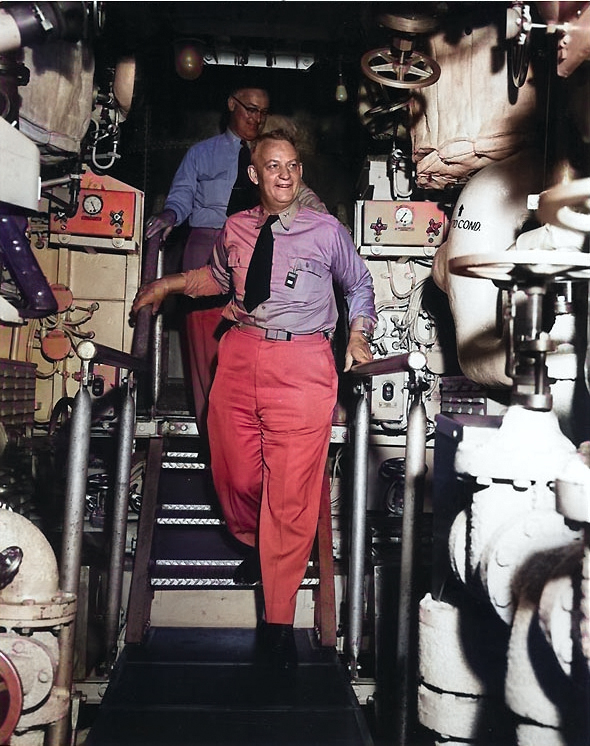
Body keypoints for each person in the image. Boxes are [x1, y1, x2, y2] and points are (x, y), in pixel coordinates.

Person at [133, 129, 377, 671]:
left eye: (293, 165)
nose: (286, 175)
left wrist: (359, 332)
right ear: (254, 175)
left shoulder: (327, 230)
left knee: (290, 496)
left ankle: (277, 623)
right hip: (239, 359)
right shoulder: (237, 228)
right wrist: (168, 285)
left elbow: (359, 285)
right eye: (274, 166)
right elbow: (216, 278)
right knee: (235, 474)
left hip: (304, 365)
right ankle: (255, 541)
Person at [144, 87, 327, 439]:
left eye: (263, 112)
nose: (256, 118)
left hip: (254, 252)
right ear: (231, 104)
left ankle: (253, 439)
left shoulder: (268, 157)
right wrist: (169, 214)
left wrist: (323, 222)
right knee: (206, 354)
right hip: (206, 246)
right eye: (250, 109)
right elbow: (181, 196)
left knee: (255, 348)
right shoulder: (201, 154)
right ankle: (213, 440)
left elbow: (299, 191)